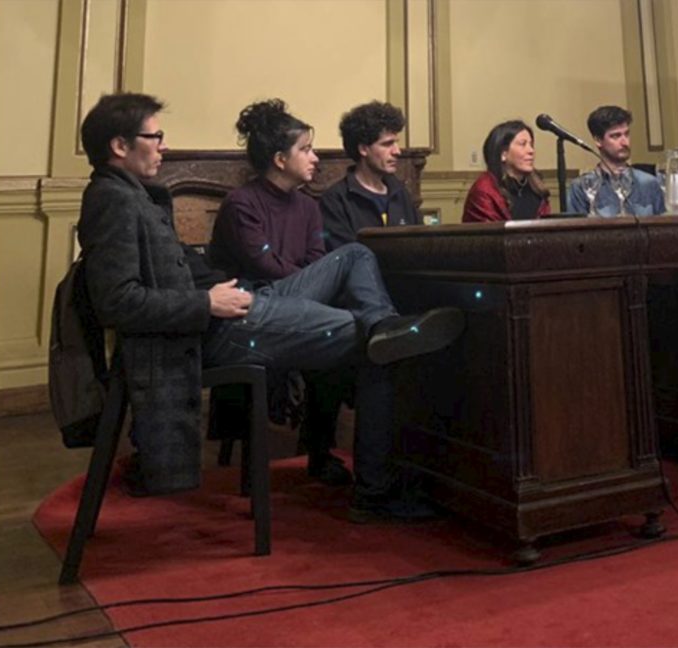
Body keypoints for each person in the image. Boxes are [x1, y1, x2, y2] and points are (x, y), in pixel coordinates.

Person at [77, 93, 464, 522]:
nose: (163, 146)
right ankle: (376, 493)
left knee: (356, 260)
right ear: (119, 145)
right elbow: (115, 302)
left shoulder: (135, 196)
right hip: (218, 328)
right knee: (374, 343)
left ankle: (383, 327)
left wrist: (216, 287)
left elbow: (186, 269)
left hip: (242, 302)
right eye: (156, 136)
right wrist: (205, 301)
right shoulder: (112, 199)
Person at [208, 99, 347, 488]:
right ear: (280, 159)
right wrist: (310, 287)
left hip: (295, 302)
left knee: (336, 338)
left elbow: (316, 260)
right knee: (344, 294)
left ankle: (318, 451)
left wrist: (309, 288)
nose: (315, 158)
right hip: (252, 310)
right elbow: (264, 266)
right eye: (305, 149)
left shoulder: (308, 206)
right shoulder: (242, 204)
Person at [319, 101, 421, 249]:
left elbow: (421, 244)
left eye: (396, 143)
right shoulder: (336, 200)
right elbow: (346, 258)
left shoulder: (400, 192)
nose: (397, 151)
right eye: (387, 144)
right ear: (363, 149)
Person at [567, 105, 665, 217]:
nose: (625, 142)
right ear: (598, 140)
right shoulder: (581, 187)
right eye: (616, 136)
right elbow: (575, 232)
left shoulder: (649, 183)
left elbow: (663, 228)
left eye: (627, 134)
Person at [462, 120, 550, 222]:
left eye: (531, 144)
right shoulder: (484, 190)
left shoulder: (536, 188)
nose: (531, 151)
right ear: (503, 154)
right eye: (523, 144)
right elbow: (490, 234)